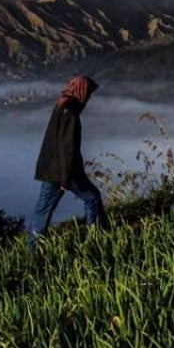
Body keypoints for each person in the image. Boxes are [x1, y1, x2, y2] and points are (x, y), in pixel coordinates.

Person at [29, 75, 107, 244]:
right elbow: (67, 149)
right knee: (91, 198)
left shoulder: (62, 104)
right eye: (88, 92)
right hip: (62, 171)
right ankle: (95, 238)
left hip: (52, 168)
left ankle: (32, 246)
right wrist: (65, 179)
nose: (89, 97)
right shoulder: (70, 112)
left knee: (43, 210)